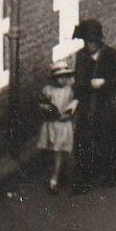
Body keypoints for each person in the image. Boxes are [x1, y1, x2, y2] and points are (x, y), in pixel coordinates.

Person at [70, 20, 116, 193]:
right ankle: (85, 177)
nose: (89, 45)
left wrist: (105, 82)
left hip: (106, 105)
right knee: (85, 141)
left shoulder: (111, 54)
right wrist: (87, 85)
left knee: (106, 139)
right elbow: (78, 82)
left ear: (99, 41)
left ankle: (109, 171)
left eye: (92, 42)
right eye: (87, 42)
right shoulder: (81, 56)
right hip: (88, 105)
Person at [38, 60, 77, 194]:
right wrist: (51, 112)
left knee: (65, 150)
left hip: (65, 124)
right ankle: (54, 178)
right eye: (60, 76)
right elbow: (43, 105)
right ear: (54, 77)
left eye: (65, 76)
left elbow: (74, 102)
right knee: (57, 152)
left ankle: (61, 173)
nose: (63, 79)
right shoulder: (48, 90)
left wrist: (68, 112)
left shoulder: (69, 90)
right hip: (53, 125)